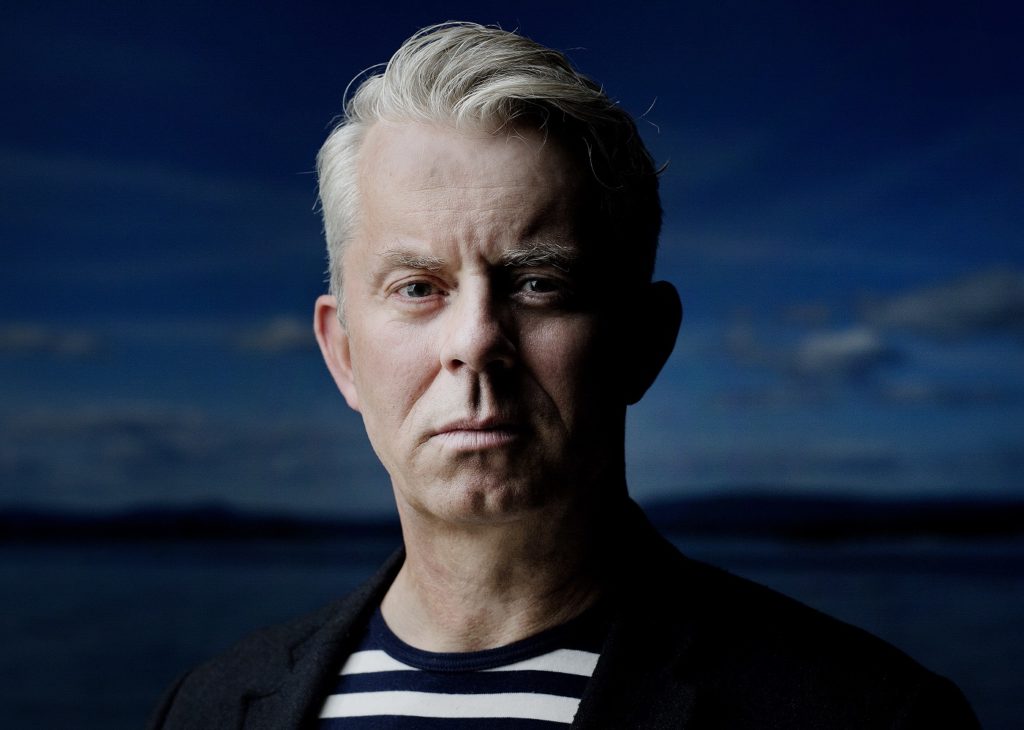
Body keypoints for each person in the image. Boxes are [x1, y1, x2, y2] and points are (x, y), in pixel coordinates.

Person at [147, 22, 979, 729]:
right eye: (419, 288)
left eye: (539, 283)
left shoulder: (871, 714)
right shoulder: (207, 709)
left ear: (644, 342)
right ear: (342, 353)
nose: (476, 340)